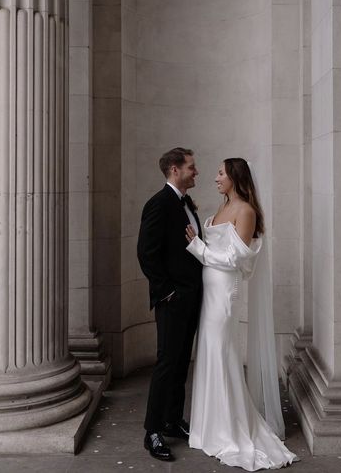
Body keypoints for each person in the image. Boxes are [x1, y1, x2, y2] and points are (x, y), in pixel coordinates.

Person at [185, 158, 298, 470]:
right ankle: (210, 426)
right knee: (208, 352)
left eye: (221, 173)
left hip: (225, 293)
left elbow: (236, 259)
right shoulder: (221, 209)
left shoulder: (245, 210)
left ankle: (229, 428)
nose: (216, 177)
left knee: (222, 352)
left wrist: (198, 248)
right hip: (210, 291)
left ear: (235, 176)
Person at [137, 147, 203, 462]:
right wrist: (168, 293)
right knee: (166, 364)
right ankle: (152, 431)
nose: (196, 172)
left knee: (180, 364)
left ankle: (173, 420)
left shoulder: (186, 203)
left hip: (192, 297)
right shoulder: (159, 203)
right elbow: (146, 254)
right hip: (173, 299)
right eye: (191, 167)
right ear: (175, 170)